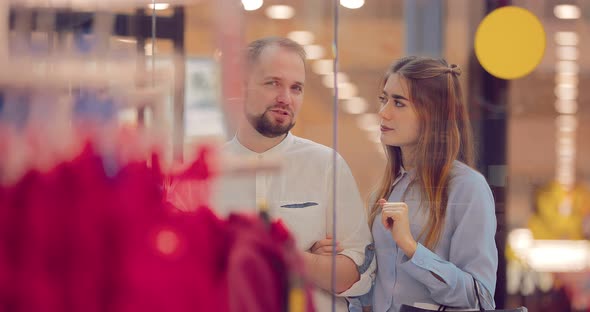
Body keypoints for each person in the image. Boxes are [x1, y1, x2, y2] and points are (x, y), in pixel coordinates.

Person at [212, 37, 374, 311]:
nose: (285, 98)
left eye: (296, 88)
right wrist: (315, 265)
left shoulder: (326, 165)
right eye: (272, 83)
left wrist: (290, 257)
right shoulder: (208, 171)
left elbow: (359, 274)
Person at [369, 56, 498, 311]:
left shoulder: (467, 188)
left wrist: (411, 248)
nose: (384, 112)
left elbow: (480, 297)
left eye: (399, 103)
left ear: (432, 114)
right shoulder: (384, 191)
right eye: (384, 99)